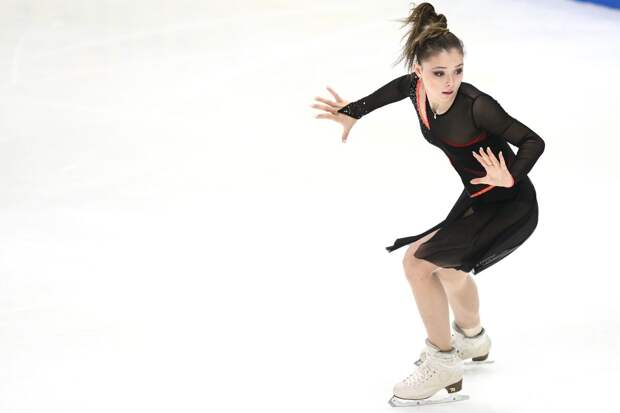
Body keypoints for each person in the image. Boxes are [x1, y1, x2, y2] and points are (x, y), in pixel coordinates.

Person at [310, 1, 545, 406]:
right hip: (478, 198)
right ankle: (472, 340)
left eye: (458, 70)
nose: (450, 81)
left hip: (511, 204)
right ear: (419, 71)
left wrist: (511, 174)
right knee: (449, 269)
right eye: (439, 72)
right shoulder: (416, 89)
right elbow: (394, 90)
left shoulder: (476, 105)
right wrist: (354, 112)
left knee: (417, 263)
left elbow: (532, 141)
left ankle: (443, 363)